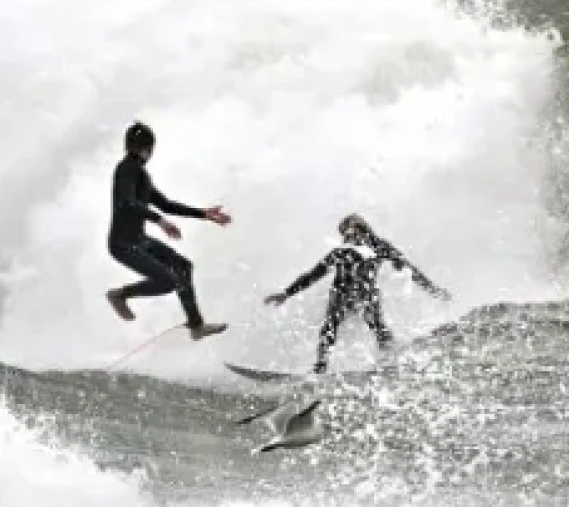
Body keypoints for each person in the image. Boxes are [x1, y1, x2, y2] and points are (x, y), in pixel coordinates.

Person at [264, 214, 448, 373]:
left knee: (378, 326)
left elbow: (409, 271)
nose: (348, 238)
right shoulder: (341, 252)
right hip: (341, 293)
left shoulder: (380, 247)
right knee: (330, 326)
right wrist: (286, 294)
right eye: (344, 235)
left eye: (350, 233)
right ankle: (320, 366)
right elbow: (312, 275)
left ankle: (389, 359)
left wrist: (433, 290)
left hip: (366, 295)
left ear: (363, 230)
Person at [104, 121, 231, 339]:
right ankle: (120, 295)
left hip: (137, 240)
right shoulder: (127, 169)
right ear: (149, 148)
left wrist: (203, 213)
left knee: (183, 267)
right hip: (123, 244)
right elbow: (127, 203)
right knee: (168, 281)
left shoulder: (140, 174)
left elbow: (165, 203)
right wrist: (160, 221)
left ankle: (196, 325)